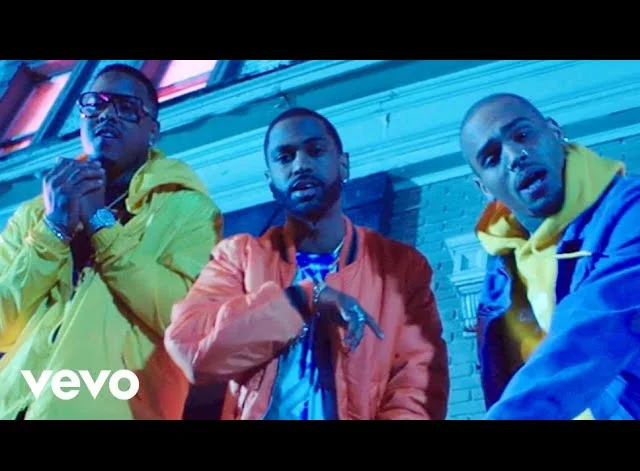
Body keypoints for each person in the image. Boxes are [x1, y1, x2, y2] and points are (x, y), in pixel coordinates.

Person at [164, 107, 449, 420]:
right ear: (270, 179)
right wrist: (301, 300)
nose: (300, 165)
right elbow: (191, 349)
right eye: (285, 157)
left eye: (315, 151)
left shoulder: (400, 266)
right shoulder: (239, 257)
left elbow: (417, 385)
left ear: (343, 164)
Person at [0, 63, 222, 420]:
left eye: (126, 107)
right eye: (96, 104)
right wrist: (52, 230)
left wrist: (101, 224)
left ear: (153, 130)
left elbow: (185, 321)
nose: (107, 115)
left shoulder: (189, 209)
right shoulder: (37, 212)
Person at [459, 92, 640, 420]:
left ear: (555, 132)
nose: (515, 156)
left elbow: (594, 329)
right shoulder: (501, 268)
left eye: (522, 134)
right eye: (492, 157)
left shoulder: (630, 209)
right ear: (484, 188)